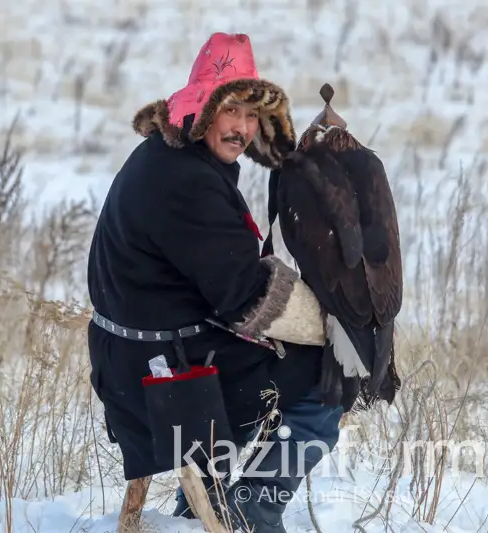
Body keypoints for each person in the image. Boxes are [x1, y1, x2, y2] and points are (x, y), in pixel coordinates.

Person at [86, 32, 344, 532]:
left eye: (253, 117)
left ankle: (202, 506)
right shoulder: (187, 181)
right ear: (203, 109)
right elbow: (244, 294)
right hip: (162, 372)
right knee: (328, 379)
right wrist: (333, 324)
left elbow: (221, 276)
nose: (243, 129)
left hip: (138, 354)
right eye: (232, 112)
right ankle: (252, 511)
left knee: (284, 364)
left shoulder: (171, 156)